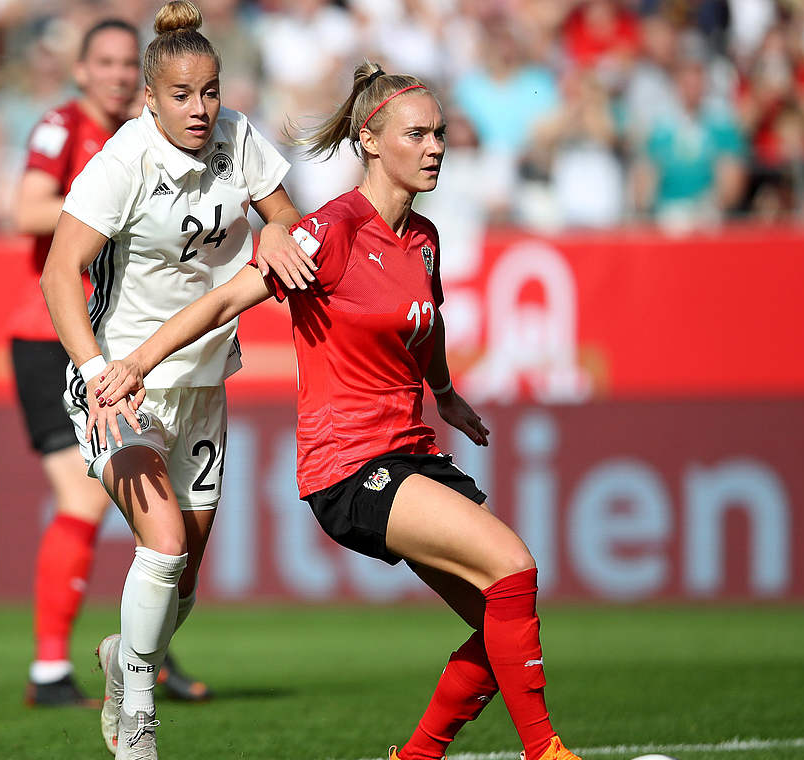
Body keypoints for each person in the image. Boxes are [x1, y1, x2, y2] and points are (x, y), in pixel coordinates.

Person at [92, 62, 582, 760]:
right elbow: (228, 299)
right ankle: (548, 753)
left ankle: (415, 758)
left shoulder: (425, 239)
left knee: (502, 623)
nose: (437, 145)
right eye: (419, 133)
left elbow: (428, 323)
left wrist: (443, 392)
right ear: (372, 140)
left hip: (412, 451)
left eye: (440, 132)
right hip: (350, 467)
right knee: (514, 567)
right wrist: (137, 362)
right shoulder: (333, 230)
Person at [38, 2, 316, 757]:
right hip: (119, 385)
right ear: (150, 99)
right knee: (161, 546)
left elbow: (285, 212)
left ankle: (120, 656)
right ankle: (136, 720)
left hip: (201, 383)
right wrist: (96, 372)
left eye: (211, 91)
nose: (201, 109)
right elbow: (60, 273)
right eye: (183, 95)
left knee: (183, 580)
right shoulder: (121, 163)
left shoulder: (236, 138)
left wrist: (283, 233)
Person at [9, 18, 214, 707]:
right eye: (107, 62)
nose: (121, 75)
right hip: (55, 340)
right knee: (86, 497)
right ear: (81, 71)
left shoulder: (153, 139)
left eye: (131, 64)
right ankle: (50, 671)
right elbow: (26, 206)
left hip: (120, 346)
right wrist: (107, 204)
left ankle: (147, 653)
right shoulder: (64, 128)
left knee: (153, 518)